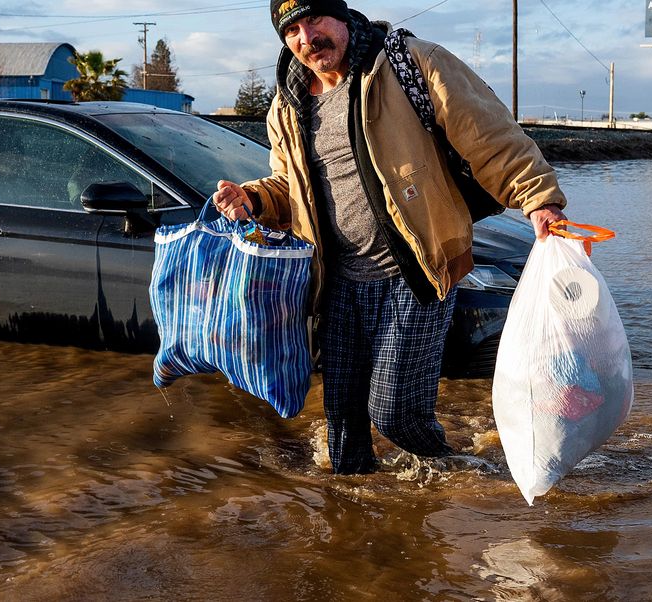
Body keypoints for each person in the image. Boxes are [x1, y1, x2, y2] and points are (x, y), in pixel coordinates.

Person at [212, 0, 568, 474]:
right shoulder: (287, 106)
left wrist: (539, 199)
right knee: (343, 436)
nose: (307, 37)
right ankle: (356, 535)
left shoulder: (409, 63)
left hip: (415, 269)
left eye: (315, 19)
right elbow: (289, 189)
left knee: (395, 412)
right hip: (337, 283)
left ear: (341, 16)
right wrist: (252, 198)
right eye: (292, 30)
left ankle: (465, 475)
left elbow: (490, 137)